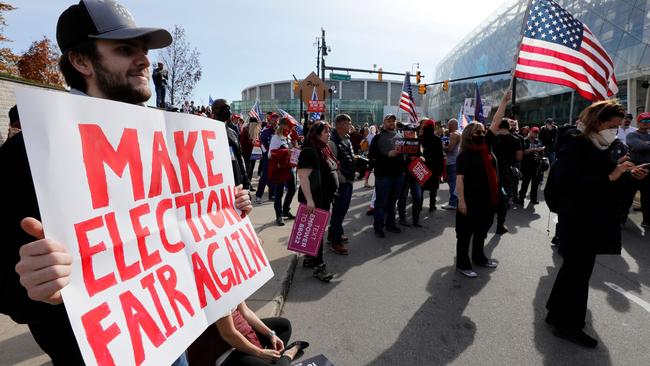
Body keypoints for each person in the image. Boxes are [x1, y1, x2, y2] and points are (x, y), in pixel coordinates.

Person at [0, 3, 251, 365]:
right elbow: (7, 280)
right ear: (81, 62)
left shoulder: (167, 139)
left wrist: (223, 213)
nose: (144, 60)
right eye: (124, 49)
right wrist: (31, 287)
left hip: (171, 329)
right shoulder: (27, 154)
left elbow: (176, 226)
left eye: (144, 51)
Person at [545, 100, 648, 348]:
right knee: (577, 274)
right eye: (611, 125)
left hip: (591, 220)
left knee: (574, 270)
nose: (616, 130)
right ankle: (568, 325)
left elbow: (608, 183)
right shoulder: (574, 144)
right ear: (597, 122)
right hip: (579, 220)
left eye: (618, 125)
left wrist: (627, 175)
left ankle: (556, 312)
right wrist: (611, 175)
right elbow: (569, 184)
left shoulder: (601, 145)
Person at [188, 301, 308, 366]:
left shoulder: (229, 279)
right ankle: (288, 354)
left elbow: (246, 312)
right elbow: (229, 335)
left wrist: (271, 334)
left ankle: (270, 360)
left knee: (283, 326)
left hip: (241, 330)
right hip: (226, 348)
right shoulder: (212, 293)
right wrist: (259, 353)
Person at [455, 122, 499, 278]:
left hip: (488, 199)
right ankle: (462, 264)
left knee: (482, 231)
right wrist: (461, 200)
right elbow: (460, 180)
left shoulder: (486, 148)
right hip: (470, 200)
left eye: (483, 132)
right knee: (465, 235)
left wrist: (505, 101)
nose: (482, 135)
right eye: (478, 132)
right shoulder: (463, 156)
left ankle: (479, 257)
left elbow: (496, 123)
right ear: (469, 135)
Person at [297, 121, 338, 281]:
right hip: (315, 199)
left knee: (315, 231)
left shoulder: (321, 148)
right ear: (317, 134)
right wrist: (309, 200)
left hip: (323, 197)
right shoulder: (309, 150)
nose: (329, 134)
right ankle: (319, 267)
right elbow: (303, 176)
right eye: (326, 132)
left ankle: (309, 258)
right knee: (317, 233)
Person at [369, 114, 406, 238]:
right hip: (384, 176)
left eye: (393, 121)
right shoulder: (378, 138)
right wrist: (387, 155)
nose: (392, 122)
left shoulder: (400, 136)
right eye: (389, 120)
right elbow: (372, 156)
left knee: (392, 202)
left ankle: (390, 224)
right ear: (384, 122)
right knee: (381, 202)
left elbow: (404, 155)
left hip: (398, 175)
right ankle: (378, 227)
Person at [487, 111, 522, 234]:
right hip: (507, 172)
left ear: (499, 127)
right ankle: (500, 225)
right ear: (509, 127)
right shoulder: (516, 140)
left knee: (490, 195)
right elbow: (519, 157)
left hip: (492, 171)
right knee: (504, 197)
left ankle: (486, 223)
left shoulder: (493, 139)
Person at [327, 114, 355, 255]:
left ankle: (334, 234)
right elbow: (332, 165)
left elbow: (349, 156)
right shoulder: (332, 142)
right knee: (338, 213)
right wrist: (342, 179)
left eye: (349, 123)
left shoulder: (347, 139)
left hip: (348, 180)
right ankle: (335, 242)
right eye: (347, 123)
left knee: (342, 211)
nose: (350, 125)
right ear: (339, 125)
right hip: (341, 183)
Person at [212, 99, 251, 190]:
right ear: (215, 110)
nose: (228, 111)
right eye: (225, 108)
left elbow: (239, 157)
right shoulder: (206, 132)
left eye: (229, 108)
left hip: (236, 181)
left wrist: (245, 179)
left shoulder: (233, 133)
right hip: (218, 184)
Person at [621, 112, 650, 227]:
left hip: (648, 168)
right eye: (644, 121)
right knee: (627, 196)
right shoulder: (632, 135)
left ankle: (647, 221)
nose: (647, 123)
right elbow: (639, 146)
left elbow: (643, 146)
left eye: (649, 121)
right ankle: (621, 219)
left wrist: (646, 144)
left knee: (648, 196)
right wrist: (645, 145)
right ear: (639, 122)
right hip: (634, 167)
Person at [268, 117, 297, 226]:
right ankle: (279, 215)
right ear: (283, 125)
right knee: (279, 193)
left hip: (289, 168)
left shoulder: (287, 137)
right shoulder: (276, 137)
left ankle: (285, 210)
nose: (291, 128)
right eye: (289, 126)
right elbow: (270, 154)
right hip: (280, 169)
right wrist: (286, 151)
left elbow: (291, 151)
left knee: (292, 189)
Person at [419, 118, 444, 214]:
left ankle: (419, 204)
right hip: (434, 167)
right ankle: (432, 205)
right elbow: (440, 155)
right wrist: (440, 168)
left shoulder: (420, 138)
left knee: (421, 187)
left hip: (422, 166)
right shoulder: (437, 139)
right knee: (433, 188)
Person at [255, 112, 280, 204]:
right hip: (267, 157)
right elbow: (261, 143)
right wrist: (266, 153)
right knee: (264, 177)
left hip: (276, 157)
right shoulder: (266, 130)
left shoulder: (278, 130)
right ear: (270, 119)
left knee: (274, 176)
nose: (276, 120)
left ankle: (271, 194)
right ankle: (258, 196)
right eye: (274, 118)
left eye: (277, 119)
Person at [518, 126, 545, 205]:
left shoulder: (538, 141)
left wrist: (542, 151)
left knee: (535, 184)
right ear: (530, 132)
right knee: (525, 184)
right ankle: (521, 199)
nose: (535, 134)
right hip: (526, 165)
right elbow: (523, 152)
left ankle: (533, 199)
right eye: (534, 132)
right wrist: (535, 149)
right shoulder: (525, 140)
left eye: (536, 133)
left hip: (536, 165)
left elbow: (541, 153)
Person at [442, 118, 460, 210]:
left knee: (452, 183)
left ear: (451, 125)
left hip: (452, 162)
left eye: (448, 125)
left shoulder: (454, 134)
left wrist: (443, 147)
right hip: (457, 161)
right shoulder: (459, 134)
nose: (447, 127)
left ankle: (453, 203)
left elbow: (450, 149)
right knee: (456, 183)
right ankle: (456, 201)